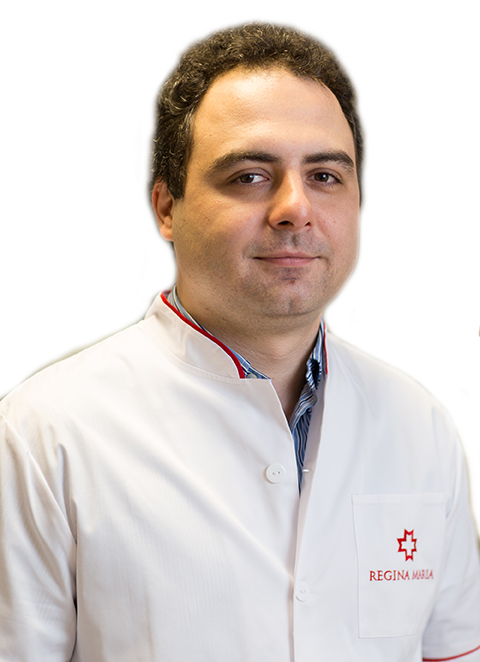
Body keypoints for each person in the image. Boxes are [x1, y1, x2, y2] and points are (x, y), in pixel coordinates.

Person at [0, 17, 479, 662]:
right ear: (165, 208)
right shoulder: (40, 439)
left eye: (325, 175)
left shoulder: (421, 428)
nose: (294, 208)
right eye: (250, 176)